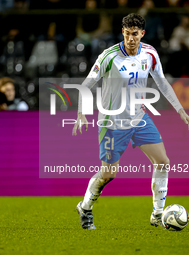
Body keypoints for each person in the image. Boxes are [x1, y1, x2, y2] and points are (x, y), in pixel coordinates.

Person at [73, 13, 189, 230]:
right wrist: (81, 112)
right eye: (127, 34)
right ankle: (86, 206)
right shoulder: (109, 57)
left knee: (163, 162)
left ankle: (157, 214)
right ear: (123, 33)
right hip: (112, 121)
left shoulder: (150, 54)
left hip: (139, 118)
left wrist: (180, 110)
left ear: (142, 34)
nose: (130, 39)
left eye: (135, 34)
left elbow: (162, 83)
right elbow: (85, 85)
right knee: (109, 174)